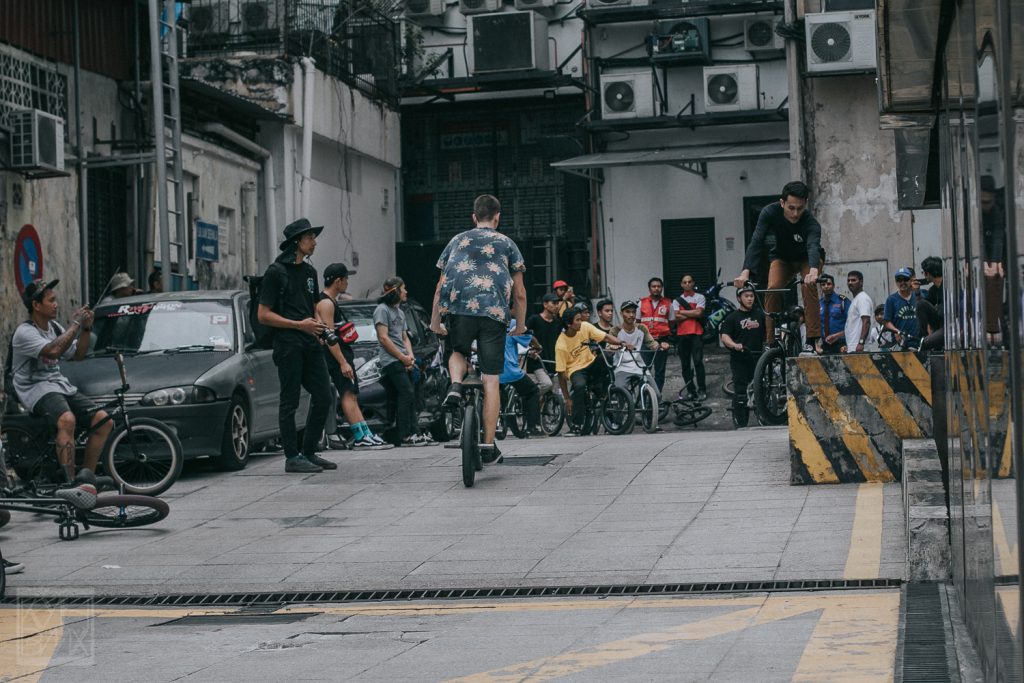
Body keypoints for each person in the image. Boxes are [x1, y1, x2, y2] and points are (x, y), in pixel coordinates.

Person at [430, 194, 527, 465]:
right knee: (491, 378)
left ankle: (456, 384)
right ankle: (487, 444)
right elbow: (519, 293)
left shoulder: (456, 241)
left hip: (459, 310)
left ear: (474, 217)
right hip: (494, 314)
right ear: (498, 217)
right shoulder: (507, 243)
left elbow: (439, 287)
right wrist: (519, 325)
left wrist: (435, 322)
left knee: (458, 350)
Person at [10, 279, 113, 488]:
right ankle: (70, 482)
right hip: (35, 388)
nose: (56, 304)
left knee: (103, 420)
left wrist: (86, 329)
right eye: (51, 300)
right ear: (36, 305)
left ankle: (86, 478)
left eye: (55, 300)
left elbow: (78, 355)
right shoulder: (25, 332)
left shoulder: (55, 328)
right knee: (67, 420)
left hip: (58, 384)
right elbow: (53, 351)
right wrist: (75, 324)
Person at [257, 218, 335, 473]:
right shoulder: (276, 272)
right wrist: (299, 325)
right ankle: (292, 456)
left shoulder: (310, 273)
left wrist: (321, 327)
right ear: (296, 242)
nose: (314, 242)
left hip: (310, 342)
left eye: (314, 237)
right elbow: (263, 315)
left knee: (324, 396)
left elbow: (313, 307)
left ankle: (309, 451)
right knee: (289, 400)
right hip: (288, 344)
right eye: (310, 238)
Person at [734, 181, 823, 345]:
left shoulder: (811, 223)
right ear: (782, 203)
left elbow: (813, 246)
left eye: (800, 208)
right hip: (782, 257)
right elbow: (756, 242)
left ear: (805, 204)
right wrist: (745, 272)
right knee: (773, 289)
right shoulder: (769, 212)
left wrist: (813, 271)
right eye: (791, 208)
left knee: (808, 285)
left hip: (807, 259)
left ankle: (812, 339)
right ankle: (771, 340)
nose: (795, 214)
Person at [316, 263, 391, 451]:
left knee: (352, 394)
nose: (347, 283)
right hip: (336, 359)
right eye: (346, 279)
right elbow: (329, 338)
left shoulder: (332, 302)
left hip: (344, 355)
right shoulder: (326, 304)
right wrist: (342, 362)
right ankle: (359, 437)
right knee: (347, 394)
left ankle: (366, 434)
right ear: (338, 281)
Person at [376, 277, 433, 447]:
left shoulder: (400, 312)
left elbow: (404, 337)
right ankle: (405, 435)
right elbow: (383, 338)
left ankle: (415, 433)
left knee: (410, 395)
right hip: (391, 360)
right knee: (407, 393)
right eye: (403, 288)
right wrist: (402, 357)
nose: (406, 291)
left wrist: (410, 357)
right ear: (395, 291)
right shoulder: (382, 310)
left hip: (404, 359)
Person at [555, 308, 629, 436]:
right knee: (580, 386)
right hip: (575, 370)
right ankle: (576, 426)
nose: (581, 321)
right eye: (577, 320)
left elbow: (605, 337)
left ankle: (603, 391)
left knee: (606, 357)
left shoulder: (585, 326)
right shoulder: (561, 345)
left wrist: (622, 343)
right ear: (569, 324)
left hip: (590, 363)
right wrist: (567, 398)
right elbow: (561, 374)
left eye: (580, 319)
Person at [719, 283, 765, 428]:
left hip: (758, 357)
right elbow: (724, 336)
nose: (750, 299)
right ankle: (741, 421)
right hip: (740, 357)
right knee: (740, 389)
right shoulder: (732, 317)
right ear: (739, 298)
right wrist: (734, 345)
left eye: (751, 296)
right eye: (746, 296)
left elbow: (768, 333)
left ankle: (764, 416)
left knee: (762, 386)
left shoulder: (760, 315)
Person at [499, 322, 542, 437]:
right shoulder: (512, 323)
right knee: (532, 391)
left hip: (489, 370)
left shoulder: (487, 321)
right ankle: (532, 428)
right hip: (508, 370)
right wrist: (538, 347)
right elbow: (529, 337)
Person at [609, 300, 660, 399]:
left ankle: (647, 408)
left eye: (633, 312)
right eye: (627, 312)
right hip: (622, 366)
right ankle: (622, 409)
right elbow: (609, 346)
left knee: (657, 395)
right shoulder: (615, 330)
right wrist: (614, 347)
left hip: (639, 365)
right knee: (620, 394)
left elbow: (651, 343)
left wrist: (660, 345)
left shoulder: (641, 328)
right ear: (621, 313)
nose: (631, 315)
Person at [670, 274, 707, 401]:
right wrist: (693, 313)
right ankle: (691, 391)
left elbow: (699, 313)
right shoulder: (677, 300)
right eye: (685, 282)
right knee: (685, 365)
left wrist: (682, 312)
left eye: (689, 282)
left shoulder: (700, 297)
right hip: (682, 335)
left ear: (693, 283)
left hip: (696, 333)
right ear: (681, 284)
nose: (687, 284)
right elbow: (675, 316)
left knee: (698, 362)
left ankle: (702, 389)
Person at [981, 175, 1006, 344]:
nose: (986, 206)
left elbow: (998, 237)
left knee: (996, 277)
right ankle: (988, 325)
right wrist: (984, 261)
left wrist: (995, 262)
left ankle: (994, 326)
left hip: (995, 250)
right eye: (983, 202)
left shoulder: (997, 212)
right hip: (979, 251)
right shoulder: (974, 213)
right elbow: (977, 238)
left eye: (988, 202)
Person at [638, 277, 673, 391]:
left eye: (659, 286)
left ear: (662, 288)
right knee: (644, 369)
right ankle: (643, 396)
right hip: (646, 341)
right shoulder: (641, 303)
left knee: (660, 370)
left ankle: (657, 395)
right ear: (649, 288)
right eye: (654, 286)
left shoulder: (668, 303)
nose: (656, 288)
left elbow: (672, 322)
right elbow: (637, 322)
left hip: (662, 340)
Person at [525, 293, 561, 394]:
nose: (556, 306)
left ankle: (542, 403)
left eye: (557, 303)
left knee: (554, 392)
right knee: (547, 384)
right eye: (553, 303)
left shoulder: (557, 322)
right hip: (537, 361)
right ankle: (529, 397)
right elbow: (524, 335)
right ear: (545, 304)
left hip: (553, 361)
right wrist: (530, 349)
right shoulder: (534, 319)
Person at [883, 267, 920, 349]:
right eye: (899, 280)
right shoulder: (891, 299)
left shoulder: (918, 296)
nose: (902, 282)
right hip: (900, 343)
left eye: (905, 279)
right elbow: (887, 322)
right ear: (896, 282)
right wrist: (896, 331)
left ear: (911, 280)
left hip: (919, 342)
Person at [815, 274, 849, 355]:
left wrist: (837, 335)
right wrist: (816, 343)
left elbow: (852, 324)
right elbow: (817, 325)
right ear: (820, 287)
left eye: (829, 284)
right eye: (823, 284)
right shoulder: (819, 304)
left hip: (842, 344)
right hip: (825, 345)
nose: (826, 286)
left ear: (834, 285)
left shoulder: (842, 301)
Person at [915, 257, 943, 352]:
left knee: (926, 343)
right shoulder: (933, 290)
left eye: (924, 272)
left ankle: (928, 341)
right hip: (939, 324)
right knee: (921, 304)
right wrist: (917, 293)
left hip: (948, 326)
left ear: (928, 273)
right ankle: (924, 337)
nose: (924, 275)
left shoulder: (949, 286)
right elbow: (922, 308)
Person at [844, 270, 874, 353]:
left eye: (853, 280)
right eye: (848, 280)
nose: (850, 283)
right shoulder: (856, 299)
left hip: (859, 348)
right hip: (853, 346)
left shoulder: (863, 299)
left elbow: (866, 322)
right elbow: (853, 325)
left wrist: (861, 343)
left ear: (861, 282)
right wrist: (836, 336)